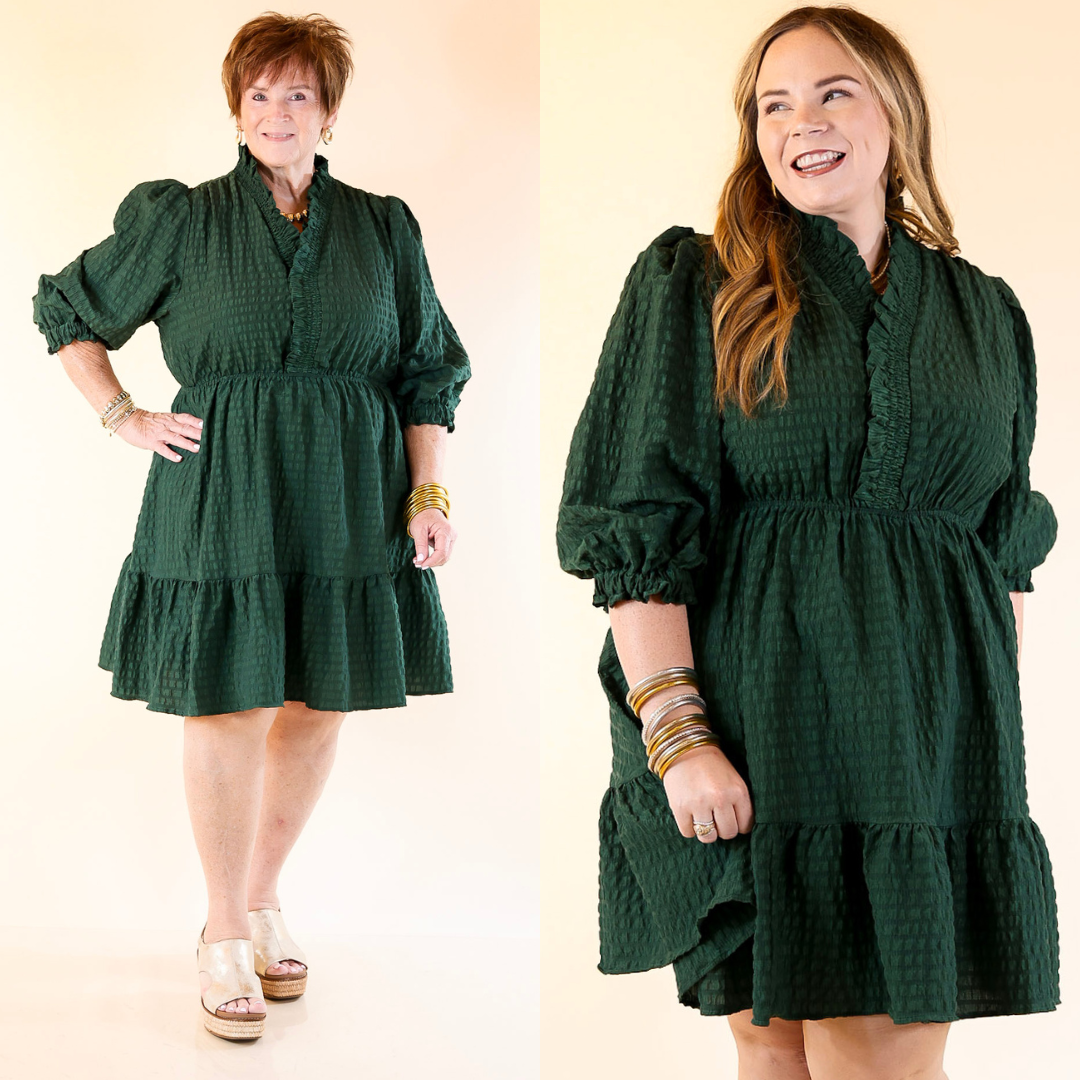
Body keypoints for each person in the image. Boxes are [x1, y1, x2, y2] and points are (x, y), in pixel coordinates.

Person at [555, 6, 1059, 1078]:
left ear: (896, 113)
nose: (802, 123)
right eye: (773, 105)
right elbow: (640, 524)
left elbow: (1001, 551)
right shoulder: (695, 282)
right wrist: (677, 735)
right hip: (754, 726)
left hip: (923, 756)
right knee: (775, 1054)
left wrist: (979, 747)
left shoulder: (987, 315)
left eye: (834, 92)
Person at [31, 13, 469, 1042]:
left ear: (329, 112)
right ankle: (220, 927)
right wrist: (121, 413)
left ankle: (263, 898)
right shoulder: (180, 218)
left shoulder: (384, 225)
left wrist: (429, 493)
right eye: (260, 95)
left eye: (299, 95)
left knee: (319, 701)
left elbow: (427, 368)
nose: (278, 112)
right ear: (236, 108)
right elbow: (67, 309)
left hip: (351, 489)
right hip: (220, 484)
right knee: (228, 701)